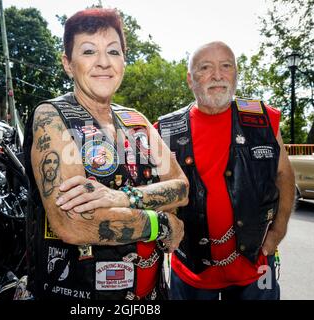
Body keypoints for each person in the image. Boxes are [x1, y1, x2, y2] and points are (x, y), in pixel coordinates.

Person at [23, 8, 189, 300]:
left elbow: (182, 187)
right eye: (88, 51)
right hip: (80, 294)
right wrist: (160, 223)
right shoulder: (52, 116)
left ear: (124, 60)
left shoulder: (136, 120)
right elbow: (74, 223)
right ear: (68, 63)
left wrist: (123, 198)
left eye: (113, 51)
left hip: (150, 293)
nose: (103, 63)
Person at [156, 41, 295, 300]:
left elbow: (284, 176)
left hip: (256, 268)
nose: (217, 75)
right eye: (205, 67)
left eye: (226, 66)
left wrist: (278, 230)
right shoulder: (164, 129)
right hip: (190, 272)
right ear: (190, 79)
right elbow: (157, 193)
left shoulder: (264, 119)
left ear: (236, 74)